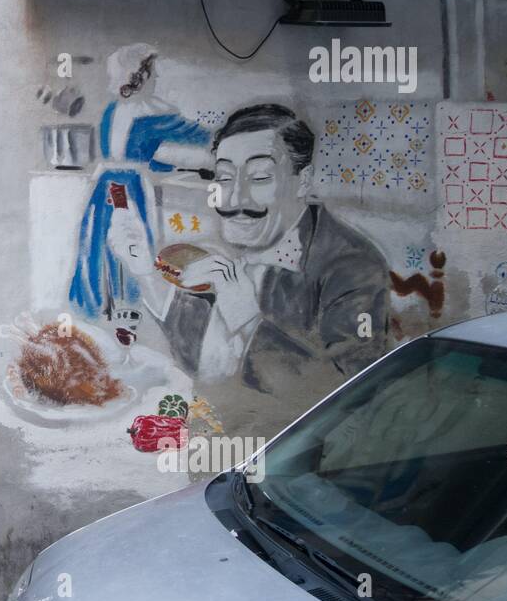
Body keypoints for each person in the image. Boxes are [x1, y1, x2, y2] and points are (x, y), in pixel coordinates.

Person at [127, 103, 389, 393]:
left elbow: (349, 392)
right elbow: (199, 363)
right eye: (225, 177)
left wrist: (248, 319)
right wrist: (145, 275)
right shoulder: (228, 247)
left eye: (260, 177)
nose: (235, 198)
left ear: (302, 182)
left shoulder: (353, 266)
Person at [69, 43, 211, 318]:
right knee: (137, 247)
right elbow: (200, 137)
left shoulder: (112, 110)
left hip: (105, 186)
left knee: (103, 245)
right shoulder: (152, 111)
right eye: (154, 72)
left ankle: (103, 307)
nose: (157, 78)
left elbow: (133, 151)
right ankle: (133, 306)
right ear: (140, 76)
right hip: (129, 188)